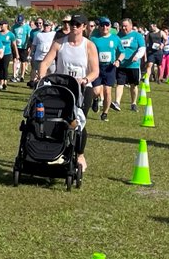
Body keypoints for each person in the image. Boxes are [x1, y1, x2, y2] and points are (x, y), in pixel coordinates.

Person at [36, 14, 98, 170]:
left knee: (77, 121)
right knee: (58, 118)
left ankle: (80, 154)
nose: (74, 26)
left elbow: (95, 71)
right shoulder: (59, 43)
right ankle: (57, 151)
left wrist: (85, 79)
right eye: (72, 24)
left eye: (78, 24)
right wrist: (42, 78)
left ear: (84, 27)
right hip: (63, 87)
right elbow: (45, 62)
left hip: (83, 89)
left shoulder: (89, 45)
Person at [89, 17, 123, 122]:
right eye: (102, 25)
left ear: (110, 26)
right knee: (96, 91)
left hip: (110, 67)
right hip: (97, 67)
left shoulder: (115, 38)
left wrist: (118, 61)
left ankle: (105, 113)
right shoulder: (94, 39)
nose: (105, 27)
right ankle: (95, 99)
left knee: (108, 91)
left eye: (107, 25)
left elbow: (122, 52)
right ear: (99, 27)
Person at [113, 18, 146, 112]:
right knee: (120, 84)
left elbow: (142, 48)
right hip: (121, 64)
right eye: (122, 26)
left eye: (125, 26)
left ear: (131, 26)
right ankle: (117, 102)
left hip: (133, 65)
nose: (123, 28)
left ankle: (133, 103)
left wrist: (137, 56)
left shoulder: (137, 35)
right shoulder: (118, 36)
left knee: (133, 85)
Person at [27, 19, 56, 86]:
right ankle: (40, 86)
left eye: (48, 26)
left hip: (50, 57)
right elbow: (33, 45)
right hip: (39, 57)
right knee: (40, 74)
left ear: (51, 27)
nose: (46, 27)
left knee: (51, 73)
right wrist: (30, 55)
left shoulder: (54, 34)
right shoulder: (38, 35)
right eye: (45, 26)